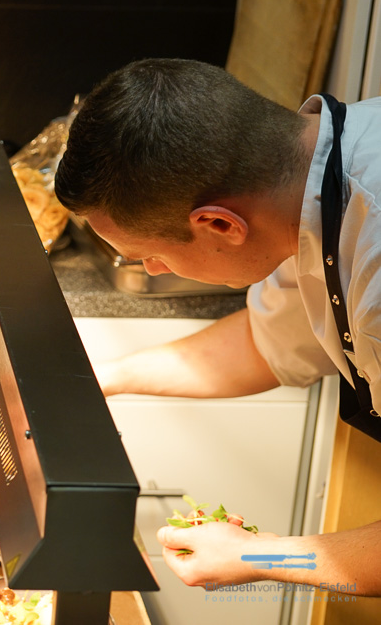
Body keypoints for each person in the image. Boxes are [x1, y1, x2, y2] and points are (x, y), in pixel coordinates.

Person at [54, 58, 381, 596]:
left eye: (147, 255)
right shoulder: (307, 187)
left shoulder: (375, 260)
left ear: (219, 224)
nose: (151, 270)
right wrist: (100, 378)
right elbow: (264, 344)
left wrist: (257, 555)